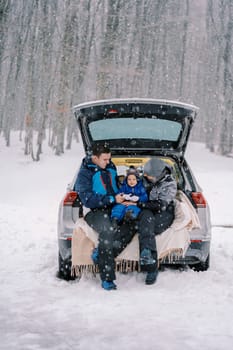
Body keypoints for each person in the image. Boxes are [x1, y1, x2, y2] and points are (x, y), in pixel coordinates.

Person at [74, 143, 135, 291]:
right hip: (94, 211)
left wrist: (124, 195)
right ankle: (108, 279)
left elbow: (114, 188)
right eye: (105, 159)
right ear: (95, 158)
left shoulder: (110, 167)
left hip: (113, 207)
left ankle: (100, 254)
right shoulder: (84, 174)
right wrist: (112, 199)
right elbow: (88, 199)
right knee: (107, 230)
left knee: (132, 224)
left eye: (109, 159)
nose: (109, 162)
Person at [136, 158, 177, 285]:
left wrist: (141, 204)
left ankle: (150, 263)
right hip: (147, 212)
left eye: (149, 175)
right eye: (145, 174)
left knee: (147, 226)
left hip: (163, 213)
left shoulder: (170, 183)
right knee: (145, 220)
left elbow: (161, 205)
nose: (146, 177)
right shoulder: (146, 178)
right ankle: (149, 262)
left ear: (158, 174)